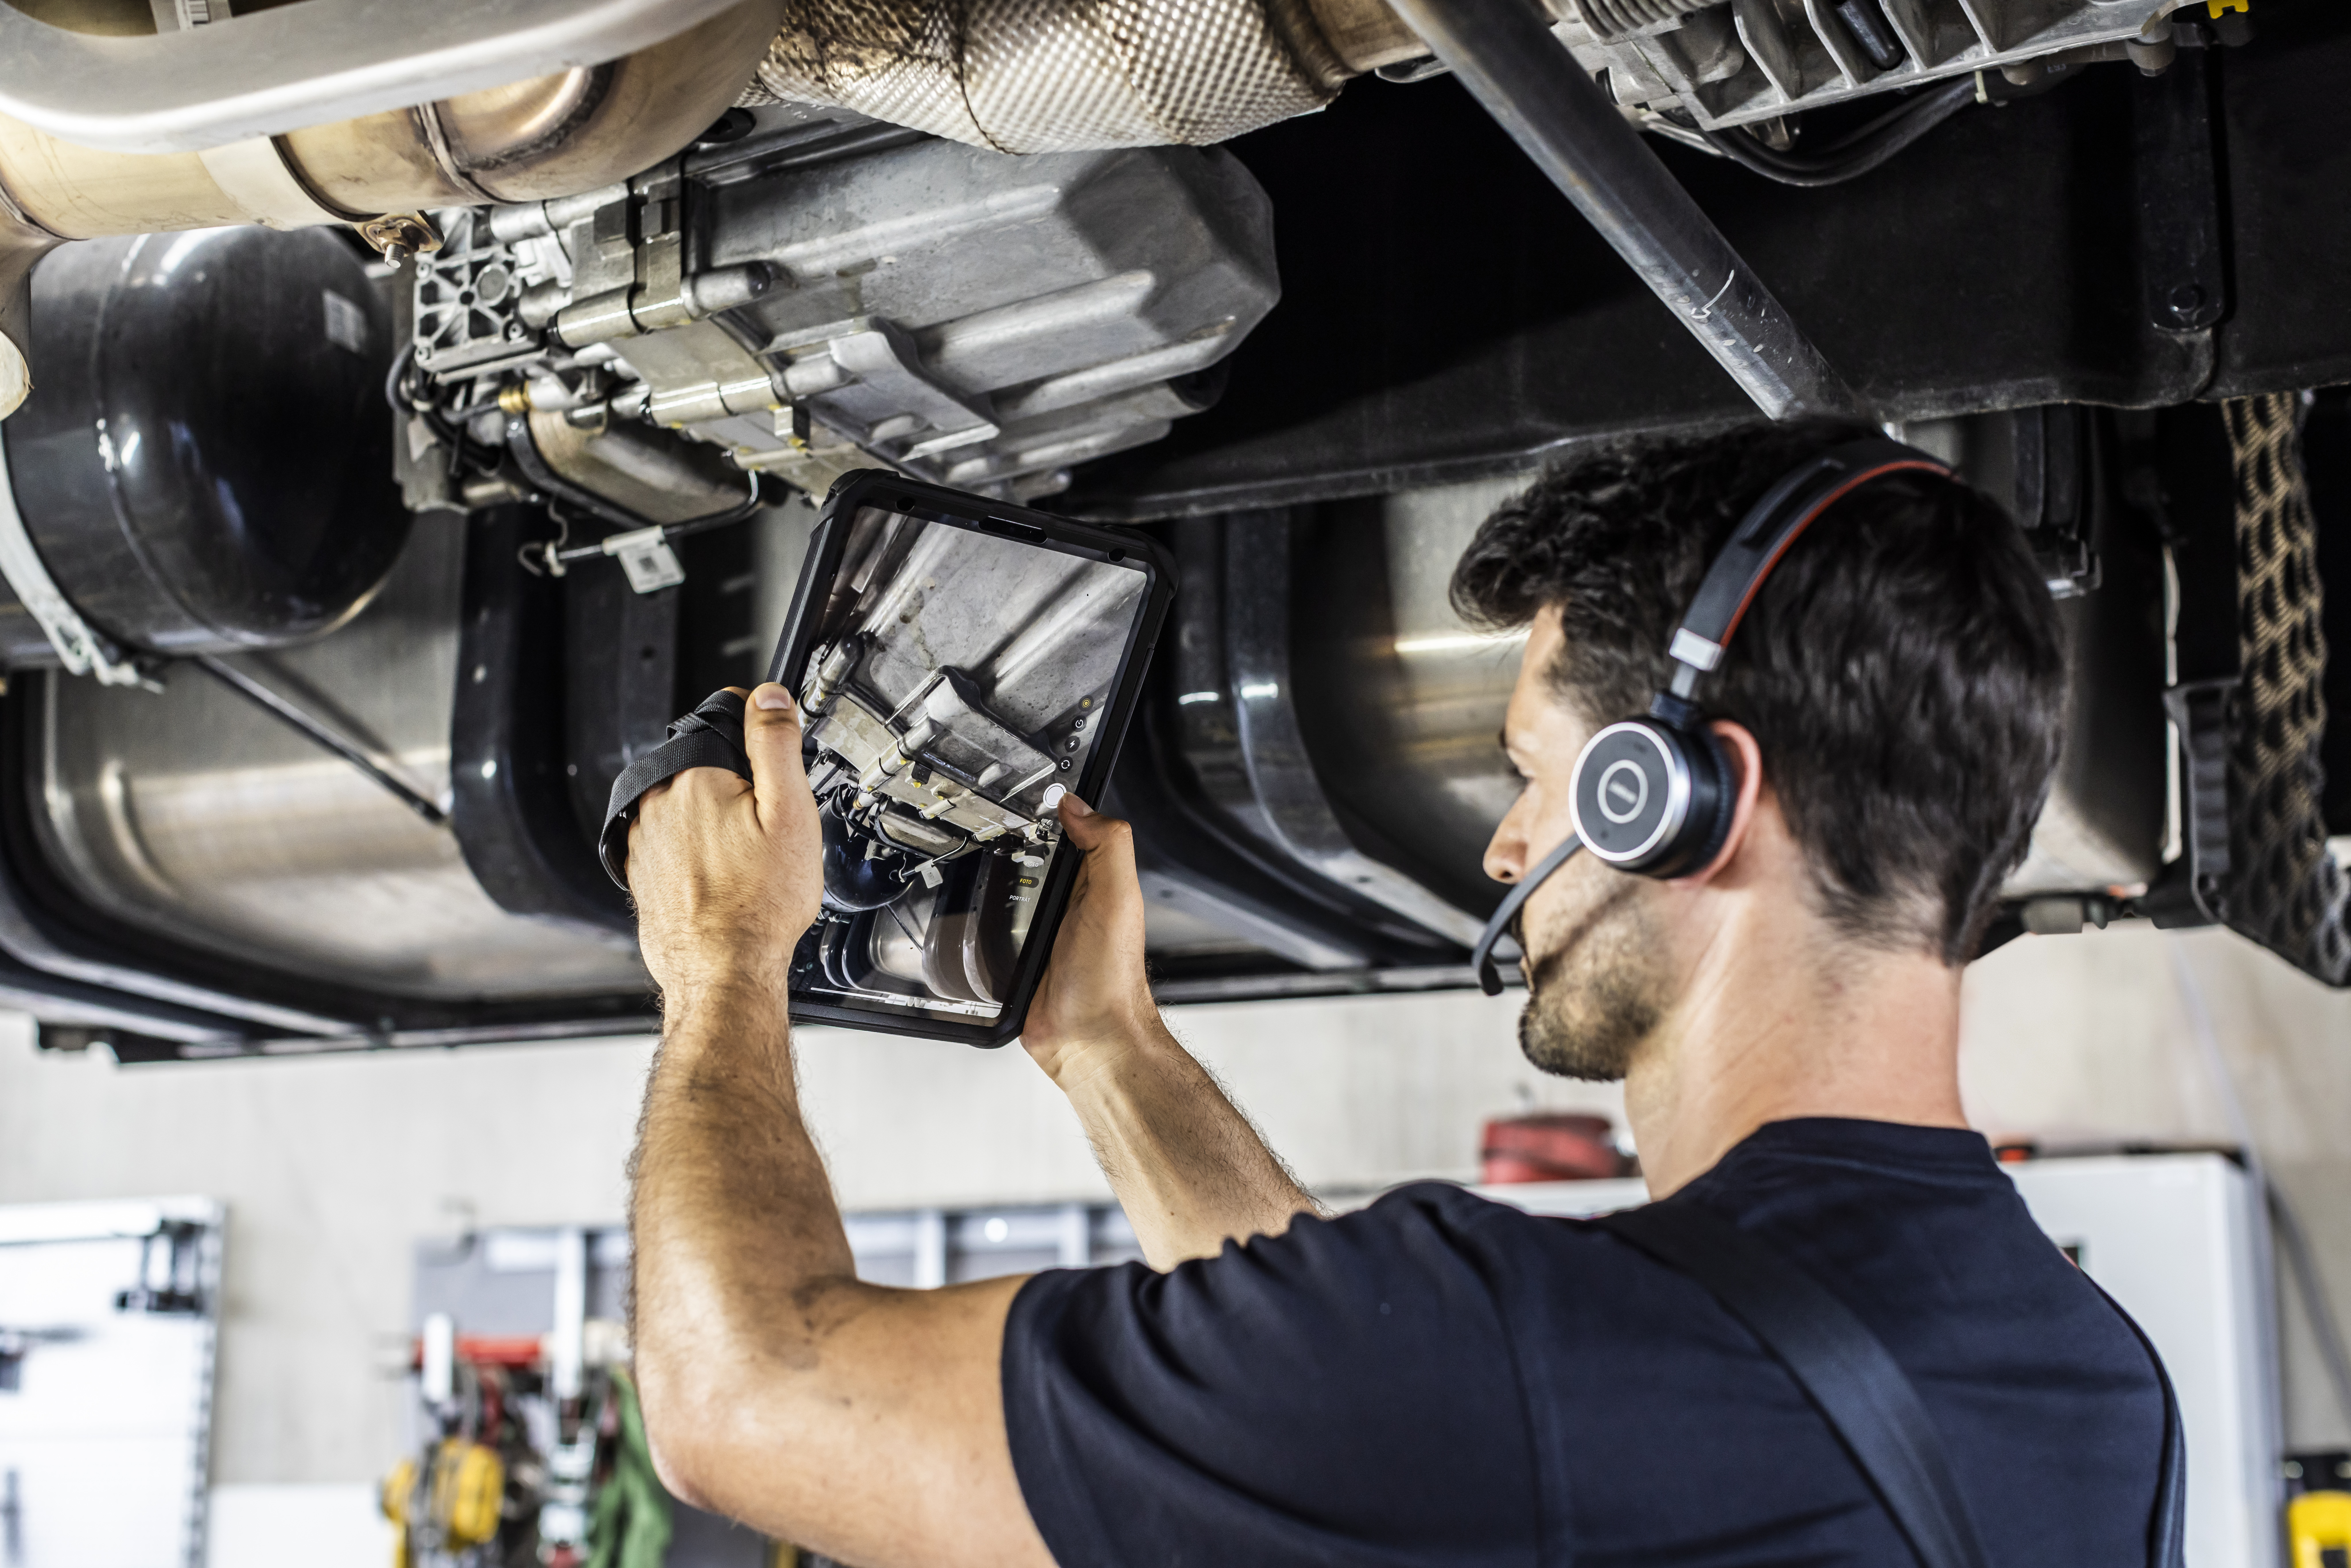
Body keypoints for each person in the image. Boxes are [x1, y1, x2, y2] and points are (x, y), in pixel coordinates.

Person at [622, 423, 2170, 1568]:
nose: (1506, 843)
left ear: (1681, 803)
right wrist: (1107, 1047)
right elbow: (1374, 1407)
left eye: (1534, 777)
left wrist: (721, 963)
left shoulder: (1512, 1354)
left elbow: (741, 1392)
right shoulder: (2101, 1393)